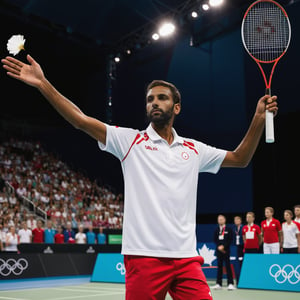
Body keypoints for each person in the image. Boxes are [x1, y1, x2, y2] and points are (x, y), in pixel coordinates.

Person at [1, 54, 278, 300]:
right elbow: (80, 120)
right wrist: (43, 85)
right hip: (144, 258)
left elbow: (240, 159)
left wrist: (256, 119)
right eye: (150, 99)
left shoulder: (195, 150)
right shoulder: (129, 141)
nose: (154, 103)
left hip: (185, 259)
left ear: (177, 107)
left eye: (162, 97)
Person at [212, 215, 235, 291]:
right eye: (219, 219)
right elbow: (215, 239)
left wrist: (224, 247)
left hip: (226, 251)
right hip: (219, 251)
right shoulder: (216, 229)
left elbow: (230, 239)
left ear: (224, 220)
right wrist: (219, 246)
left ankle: (230, 283)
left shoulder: (229, 229)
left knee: (228, 266)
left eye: (221, 219)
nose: (220, 221)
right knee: (219, 267)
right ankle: (219, 284)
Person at [232, 216, 243, 284]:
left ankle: (243, 281)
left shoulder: (243, 228)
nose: (236, 221)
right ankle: (237, 281)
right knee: (237, 266)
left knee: (242, 264)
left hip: (242, 248)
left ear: (240, 220)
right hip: (236, 248)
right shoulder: (234, 229)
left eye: (237, 219)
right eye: (235, 220)